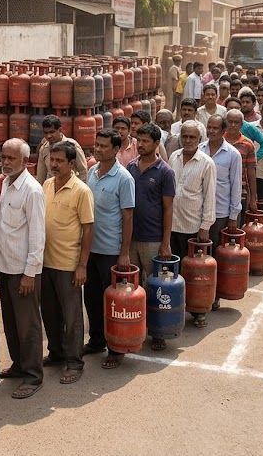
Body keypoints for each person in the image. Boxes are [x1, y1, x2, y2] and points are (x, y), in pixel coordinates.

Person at [0, 138, 46, 399]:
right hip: (5, 266)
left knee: (28, 324)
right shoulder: (5, 183)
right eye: (4, 157)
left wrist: (29, 273)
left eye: (12, 158)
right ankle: (18, 364)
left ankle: (34, 375)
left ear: (26, 162)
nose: (6, 162)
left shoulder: (32, 190)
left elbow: (38, 236)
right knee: (11, 323)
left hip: (23, 272)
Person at [40, 142, 93, 384]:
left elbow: (88, 229)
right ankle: (56, 353)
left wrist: (82, 266)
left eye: (60, 161)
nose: (54, 164)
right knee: (50, 313)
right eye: (52, 160)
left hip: (68, 264)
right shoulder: (47, 185)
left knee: (72, 317)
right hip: (45, 263)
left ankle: (74, 362)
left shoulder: (81, 191)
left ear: (72, 164)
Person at [83, 129, 135, 368]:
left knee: (112, 302)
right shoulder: (92, 172)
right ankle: (96, 340)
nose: (98, 149)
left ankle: (116, 348)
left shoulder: (124, 179)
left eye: (104, 146)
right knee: (91, 298)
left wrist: (124, 252)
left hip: (111, 251)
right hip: (90, 249)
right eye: (97, 144)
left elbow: (127, 217)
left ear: (116, 150)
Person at [126, 123, 175, 345]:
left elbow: (168, 209)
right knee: (132, 286)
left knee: (155, 287)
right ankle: (134, 329)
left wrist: (166, 243)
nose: (141, 145)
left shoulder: (165, 171)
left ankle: (158, 333)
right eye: (139, 141)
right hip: (131, 238)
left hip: (153, 239)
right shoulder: (131, 167)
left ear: (157, 144)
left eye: (146, 141)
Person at [169, 120, 216, 327]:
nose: (187, 140)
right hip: (171, 225)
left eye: (192, 137)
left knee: (195, 273)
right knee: (173, 271)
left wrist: (205, 226)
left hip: (192, 226)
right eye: (184, 136)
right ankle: (176, 309)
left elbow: (209, 197)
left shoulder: (206, 163)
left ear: (200, 139)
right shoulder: (173, 157)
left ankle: (197, 312)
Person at [199, 115, 242, 321]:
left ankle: (213, 296)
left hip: (221, 213)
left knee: (215, 256)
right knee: (199, 256)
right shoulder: (199, 149)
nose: (211, 130)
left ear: (223, 130)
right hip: (199, 213)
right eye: (209, 126)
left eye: (215, 127)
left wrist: (233, 215)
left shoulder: (232, 155)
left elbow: (236, 186)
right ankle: (198, 295)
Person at [224, 109, 259, 216]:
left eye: (236, 122)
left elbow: (251, 172)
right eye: (230, 122)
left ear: (241, 124)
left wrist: (253, 198)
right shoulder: (218, 141)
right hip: (220, 192)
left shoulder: (248, 144)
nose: (233, 125)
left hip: (241, 192)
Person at [35, 114, 87, 182]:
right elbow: (40, 177)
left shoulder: (72, 146)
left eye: (52, 132)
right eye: (46, 133)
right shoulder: (44, 149)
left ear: (59, 130)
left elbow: (83, 171)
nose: (49, 136)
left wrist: (77, 190)